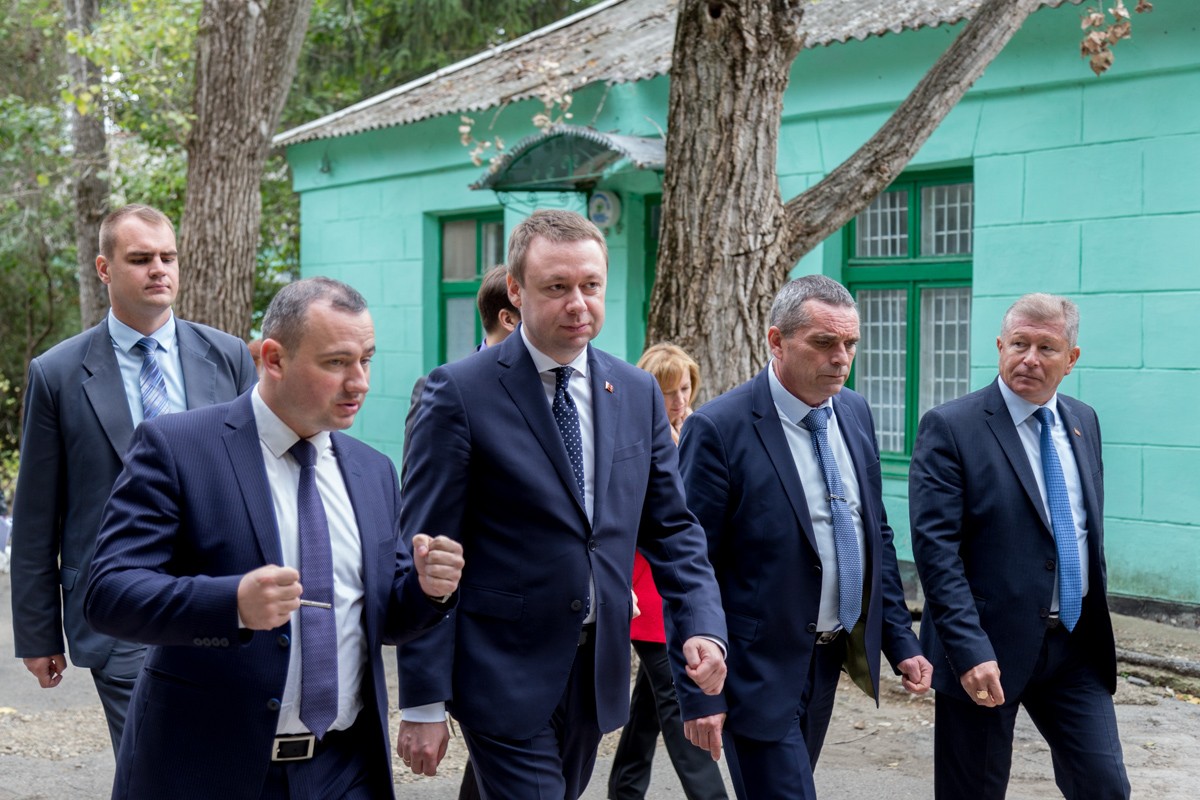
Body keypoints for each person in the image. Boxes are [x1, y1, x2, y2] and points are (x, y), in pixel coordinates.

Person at [83, 277, 465, 799]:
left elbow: (385, 616)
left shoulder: (373, 471)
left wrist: (427, 589)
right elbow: (109, 594)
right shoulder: (177, 448)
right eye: (336, 362)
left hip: (344, 770)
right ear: (274, 359)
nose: (359, 382)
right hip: (207, 770)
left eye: (366, 360)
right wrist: (232, 604)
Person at [396, 209, 727, 799]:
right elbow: (426, 547)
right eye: (557, 287)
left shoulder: (636, 391)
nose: (578, 304)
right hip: (499, 670)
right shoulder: (460, 392)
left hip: (594, 672)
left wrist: (702, 625)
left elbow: (673, 529)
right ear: (516, 291)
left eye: (591, 285)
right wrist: (422, 700)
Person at [9, 204, 257, 754]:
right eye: (141, 259)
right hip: (119, 607)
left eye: (168, 257)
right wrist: (38, 632)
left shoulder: (228, 357)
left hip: (221, 598)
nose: (159, 269)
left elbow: (257, 481)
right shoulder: (57, 373)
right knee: (151, 758)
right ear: (104, 269)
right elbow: (35, 516)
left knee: (224, 760)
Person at [677, 274, 932, 800]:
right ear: (777, 341)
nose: (841, 358)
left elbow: (873, 533)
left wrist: (900, 640)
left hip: (827, 658)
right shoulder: (719, 428)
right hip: (753, 668)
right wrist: (698, 694)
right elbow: (688, 565)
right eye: (823, 342)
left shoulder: (854, 412)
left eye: (850, 343)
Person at [909, 293, 1130, 800]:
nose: (1029, 358)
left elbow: (1081, 531)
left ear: (1071, 359)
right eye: (1018, 344)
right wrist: (968, 650)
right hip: (986, 648)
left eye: (1046, 348)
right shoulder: (952, 427)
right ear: (999, 347)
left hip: (1074, 644)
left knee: (1105, 786)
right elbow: (937, 553)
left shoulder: (1084, 420)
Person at [401, 264, 521, 800]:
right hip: (477, 627)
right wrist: (425, 696)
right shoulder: (447, 389)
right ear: (510, 316)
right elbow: (425, 523)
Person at [609, 343, 728, 800]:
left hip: (677, 591)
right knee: (684, 710)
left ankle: (624, 790)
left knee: (648, 708)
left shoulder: (691, 431)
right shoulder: (634, 436)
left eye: (684, 389)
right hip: (649, 591)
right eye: (667, 393)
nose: (679, 401)